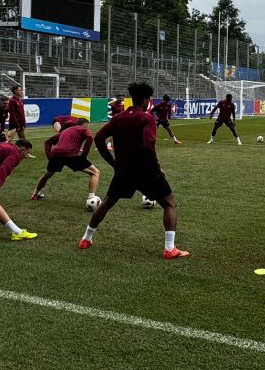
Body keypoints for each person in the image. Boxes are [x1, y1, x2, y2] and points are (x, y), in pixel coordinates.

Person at [78, 81, 188, 259]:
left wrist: (113, 163)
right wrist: (157, 168)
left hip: (124, 171)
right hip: (145, 171)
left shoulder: (119, 117)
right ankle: (170, 249)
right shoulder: (147, 119)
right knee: (169, 204)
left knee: (106, 202)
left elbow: (99, 139)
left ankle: (85, 239)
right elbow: (148, 146)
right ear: (145, 100)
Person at [31, 119, 100, 202]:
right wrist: (84, 156)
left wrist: (50, 158)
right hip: (71, 155)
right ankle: (91, 198)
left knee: (47, 174)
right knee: (95, 172)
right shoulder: (84, 129)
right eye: (88, 125)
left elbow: (47, 142)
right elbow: (90, 137)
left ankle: (35, 194)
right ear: (85, 124)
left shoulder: (65, 131)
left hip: (56, 155)